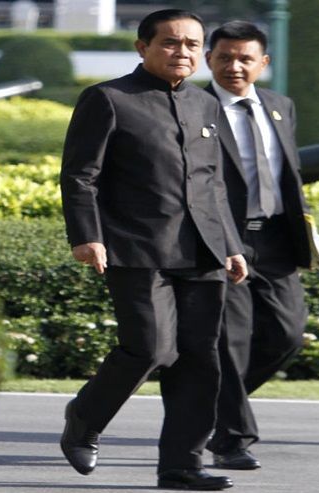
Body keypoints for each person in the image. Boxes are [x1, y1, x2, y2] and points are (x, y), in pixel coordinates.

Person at [58, 9, 247, 491]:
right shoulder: (108, 99)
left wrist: (231, 245)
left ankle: (182, 465)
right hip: (136, 247)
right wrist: (86, 235)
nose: (182, 52)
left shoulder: (206, 105)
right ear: (142, 47)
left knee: (199, 358)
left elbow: (213, 183)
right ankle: (84, 417)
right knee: (151, 348)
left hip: (202, 252)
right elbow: (80, 176)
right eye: (170, 42)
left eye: (191, 44)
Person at [203, 20, 312, 470]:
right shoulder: (194, 107)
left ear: (263, 63)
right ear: (209, 60)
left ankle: (207, 403)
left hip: (275, 238)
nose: (234, 66)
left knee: (288, 334)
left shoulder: (280, 106)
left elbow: (289, 175)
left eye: (245, 58)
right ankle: (232, 439)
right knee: (232, 340)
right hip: (221, 239)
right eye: (224, 57)